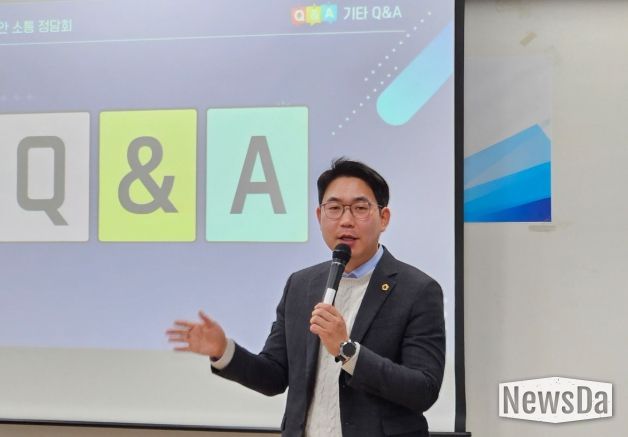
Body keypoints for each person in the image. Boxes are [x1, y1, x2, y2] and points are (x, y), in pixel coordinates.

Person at [166, 158, 445, 437]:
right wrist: (224, 350)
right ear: (319, 216)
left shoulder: (417, 290)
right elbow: (274, 376)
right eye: (334, 208)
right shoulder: (301, 285)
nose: (346, 220)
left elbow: (423, 390)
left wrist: (347, 350)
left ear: (384, 218)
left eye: (360, 208)